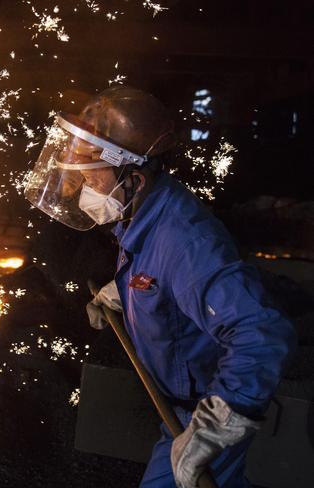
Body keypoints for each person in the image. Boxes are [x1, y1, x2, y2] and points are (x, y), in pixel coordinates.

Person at [24, 86, 296, 488]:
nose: (84, 189)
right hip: (180, 411)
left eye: (90, 176)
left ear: (131, 176)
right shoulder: (142, 215)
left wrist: (215, 426)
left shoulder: (185, 242)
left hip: (211, 409)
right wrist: (124, 291)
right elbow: (156, 273)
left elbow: (263, 333)